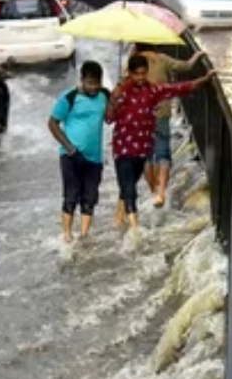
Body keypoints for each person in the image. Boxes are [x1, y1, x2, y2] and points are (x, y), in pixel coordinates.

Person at [106, 54, 216, 235]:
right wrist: (113, 99)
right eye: (137, 74)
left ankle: (120, 217)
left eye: (143, 73)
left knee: (129, 184)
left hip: (142, 148)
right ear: (130, 73)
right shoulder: (121, 92)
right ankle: (134, 231)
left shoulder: (153, 90)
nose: (140, 78)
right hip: (123, 147)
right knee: (128, 187)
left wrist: (203, 80)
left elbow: (178, 88)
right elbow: (109, 118)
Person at [127, 43, 206, 212]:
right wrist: (196, 56)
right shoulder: (161, 59)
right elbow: (186, 66)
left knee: (147, 157)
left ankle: (153, 191)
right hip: (161, 114)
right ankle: (161, 192)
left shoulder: (133, 63)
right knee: (162, 154)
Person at [48, 60, 110, 244]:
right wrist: (70, 149)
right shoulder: (69, 97)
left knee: (90, 198)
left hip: (95, 157)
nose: (93, 87)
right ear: (82, 79)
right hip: (70, 156)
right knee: (71, 196)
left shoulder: (104, 95)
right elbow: (52, 124)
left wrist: (115, 100)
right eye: (89, 83)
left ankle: (83, 237)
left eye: (96, 83)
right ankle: (67, 236)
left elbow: (109, 119)